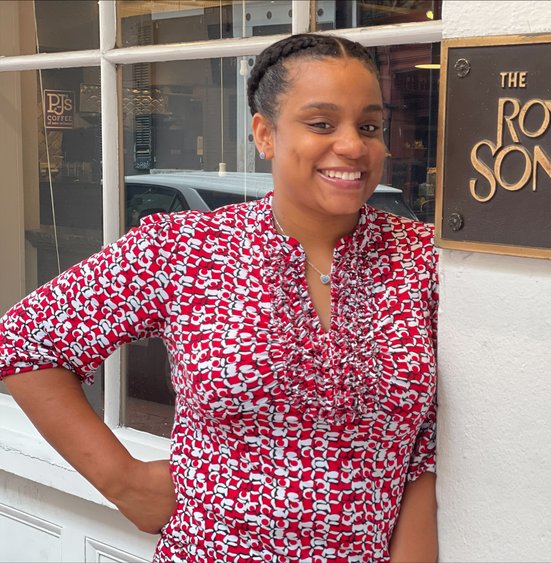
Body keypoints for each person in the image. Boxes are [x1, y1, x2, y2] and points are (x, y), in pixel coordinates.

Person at [0, 33, 438, 562]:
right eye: (321, 123)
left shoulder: (423, 260)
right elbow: (23, 345)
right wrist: (123, 481)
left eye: (368, 126)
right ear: (265, 133)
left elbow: (424, 450)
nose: (352, 146)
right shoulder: (186, 250)